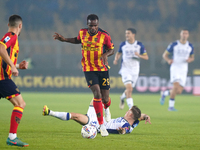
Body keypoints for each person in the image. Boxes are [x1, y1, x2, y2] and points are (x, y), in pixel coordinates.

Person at [53, 14, 114, 136]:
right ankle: (102, 126)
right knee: (97, 94)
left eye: (95, 25)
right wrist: (64, 39)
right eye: (91, 25)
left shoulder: (104, 35)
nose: (93, 28)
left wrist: (105, 55)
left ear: (98, 24)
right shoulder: (82, 32)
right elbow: (77, 40)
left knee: (105, 98)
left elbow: (111, 49)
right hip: (88, 68)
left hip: (102, 69)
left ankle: (106, 108)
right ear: (87, 25)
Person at [0, 15, 29, 147]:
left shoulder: (11, 37)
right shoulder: (12, 36)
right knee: (20, 104)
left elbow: (3, 60)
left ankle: (12, 137)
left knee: (20, 104)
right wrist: (12, 66)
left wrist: (17, 66)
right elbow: (0, 48)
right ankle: (12, 137)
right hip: (2, 78)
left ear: (8, 24)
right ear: (20, 26)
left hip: (3, 77)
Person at [42, 101, 151, 134]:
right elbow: (140, 116)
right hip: (100, 118)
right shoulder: (135, 121)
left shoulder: (127, 125)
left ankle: (49, 112)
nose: (126, 112)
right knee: (97, 97)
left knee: (74, 116)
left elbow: (126, 130)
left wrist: (122, 131)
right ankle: (106, 109)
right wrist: (146, 116)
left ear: (131, 115)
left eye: (128, 111)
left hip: (97, 125)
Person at [113, 28, 148, 110]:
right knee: (129, 89)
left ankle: (122, 97)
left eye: (128, 33)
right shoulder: (123, 44)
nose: (126, 35)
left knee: (129, 89)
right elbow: (118, 53)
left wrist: (139, 55)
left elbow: (146, 57)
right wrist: (116, 59)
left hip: (135, 70)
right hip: (125, 69)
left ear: (133, 34)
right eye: (126, 33)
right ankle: (131, 109)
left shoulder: (139, 45)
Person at [160, 29, 194, 111]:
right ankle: (170, 107)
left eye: (186, 33)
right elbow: (164, 55)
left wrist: (190, 60)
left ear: (188, 35)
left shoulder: (190, 46)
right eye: (183, 33)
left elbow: (192, 57)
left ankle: (165, 93)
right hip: (175, 68)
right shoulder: (174, 44)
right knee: (175, 87)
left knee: (179, 91)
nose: (184, 35)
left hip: (184, 69)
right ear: (180, 34)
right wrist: (168, 60)